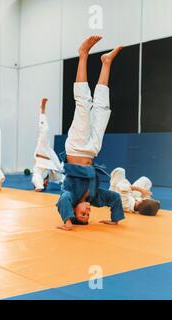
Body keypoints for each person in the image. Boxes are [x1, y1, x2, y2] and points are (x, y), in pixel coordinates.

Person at [56, 35, 125, 231]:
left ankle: (83, 55)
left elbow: (62, 202)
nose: (88, 211)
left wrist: (68, 223)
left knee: (83, 105)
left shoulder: (69, 193)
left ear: (74, 210)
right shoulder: (94, 197)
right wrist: (115, 218)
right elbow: (114, 198)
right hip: (92, 150)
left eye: (82, 214)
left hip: (76, 147)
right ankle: (106, 62)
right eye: (89, 215)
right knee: (103, 109)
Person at [32, 97, 64, 192]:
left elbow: (36, 178)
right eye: (46, 185)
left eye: (44, 184)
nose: (46, 183)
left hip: (41, 152)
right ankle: (42, 110)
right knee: (60, 171)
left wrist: (39, 187)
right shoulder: (52, 176)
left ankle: (42, 110)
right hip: (49, 157)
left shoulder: (37, 172)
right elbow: (60, 177)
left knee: (44, 131)